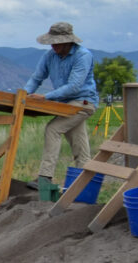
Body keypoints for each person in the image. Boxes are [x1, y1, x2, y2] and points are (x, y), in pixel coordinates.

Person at [22, 22, 98, 190]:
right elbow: (36, 78)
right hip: (65, 105)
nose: (54, 46)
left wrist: (45, 97)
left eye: (57, 42)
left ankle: (45, 178)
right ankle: (85, 189)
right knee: (80, 147)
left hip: (83, 102)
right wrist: (23, 95)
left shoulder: (82, 55)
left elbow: (74, 86)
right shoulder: (49, 56)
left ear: (68, 41)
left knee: (53, 129)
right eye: (52, 42)